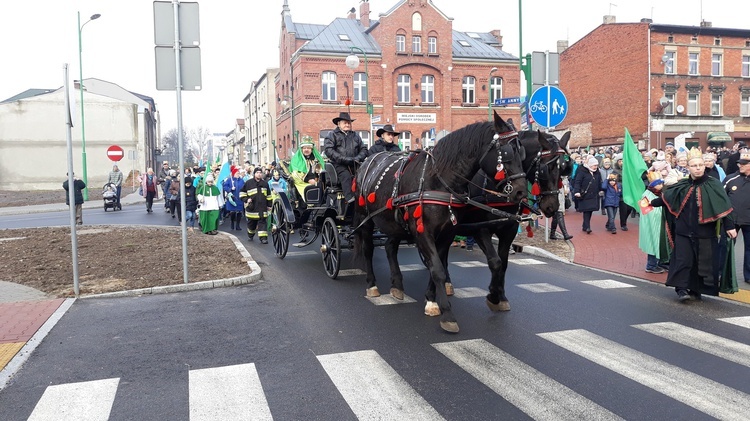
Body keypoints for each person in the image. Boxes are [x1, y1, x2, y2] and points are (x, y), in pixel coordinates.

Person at [651, 147, 737, 301]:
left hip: (705, 232)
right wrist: (650, 202)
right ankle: (682, 289)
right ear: (688, 167)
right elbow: (668, 198)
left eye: (700, 165)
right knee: (683, 260)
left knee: (702, 263)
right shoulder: (682, 184)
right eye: (694, 166)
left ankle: (696, 288)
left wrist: (730, 226)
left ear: (704, 166)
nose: (698, 168)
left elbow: (725, 206)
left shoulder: (714, 184)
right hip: (683, 231)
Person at [323, 112, 367, 203]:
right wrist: (343, 159)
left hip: (355, 163)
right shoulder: (332, 135)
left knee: (364, 174)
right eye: (345, 123)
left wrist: (358, 158)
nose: (347, 125)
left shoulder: (355, 135)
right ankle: (350, 199)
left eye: (348, 123)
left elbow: (364, 149)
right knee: (346, 176)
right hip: (339, 164)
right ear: (339, 124)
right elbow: (329, 150)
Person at [723, 149, 750, 284]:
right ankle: (722, 274)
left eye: (744, 164)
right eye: (740, 163)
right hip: (731, 220)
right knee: (726, 247)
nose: (741, 166)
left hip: (748, 220)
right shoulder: (730, 179)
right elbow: (721, 197)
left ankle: (749, 276)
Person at [638, 171, 669, 273]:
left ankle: (660, 263)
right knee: (652, 243)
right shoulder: (647, 195)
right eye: (659, 184)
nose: (661, 185)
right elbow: (646, 211)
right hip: (652, 224)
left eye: (661, 183)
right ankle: (651, 265)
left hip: (660, 223)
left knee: (659, 243)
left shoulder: (660, 194)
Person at [240, 167, 272, 243]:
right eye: (257, 173)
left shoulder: (265, 184)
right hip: (252, 209)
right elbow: (242, 193)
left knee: (262, 222)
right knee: (252, 224)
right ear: (254, 174)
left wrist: (269, 205)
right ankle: (250, 234)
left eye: (260, 173)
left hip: (262, 208)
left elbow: (268, 195)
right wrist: (246, 199)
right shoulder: (248, 183)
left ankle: (263, 238)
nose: (259, 174)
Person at [572, 156, 602, 233]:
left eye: (596, 165)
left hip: (594, 195)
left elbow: (599, 182)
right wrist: (577, 191)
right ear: (590, 164)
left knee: (590, 210)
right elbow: (577, 182)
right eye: (594, 165)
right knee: (586, 211)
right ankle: (587, 226)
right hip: (585, 195)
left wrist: (601, 190)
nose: (596, 167)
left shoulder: (597, 172)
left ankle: (585, 225)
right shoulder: (582, 171)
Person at [549, 175, 573, 240]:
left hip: (560, 195)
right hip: (556, 195)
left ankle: (552, 234)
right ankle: (565, 234)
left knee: (555, 217)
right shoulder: (557, 175)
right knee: (559, 214)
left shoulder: (564, 177)